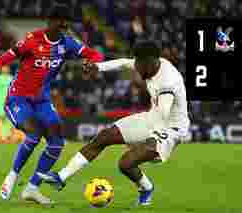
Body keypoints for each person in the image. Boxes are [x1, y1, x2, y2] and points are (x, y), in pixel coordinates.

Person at [0, 4, 103, 205]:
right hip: (18, 98)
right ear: (51, 21)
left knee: (57, 141)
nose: (66, 25)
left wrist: (91, 63)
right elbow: (2, 60)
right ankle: (13, 175)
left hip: (42, 100)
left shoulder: (68, 43)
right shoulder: (32, 40)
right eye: (62, 21)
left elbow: (94, 55)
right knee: (34, 133)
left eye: (67, 22)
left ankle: (32, 188)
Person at [38, 39, 190, 206]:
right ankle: (61, 177)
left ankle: (146, 188)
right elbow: (124, 63)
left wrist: (151, 139)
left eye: (139, 65)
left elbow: (163, 114)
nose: (137, 69)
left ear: (151, 62)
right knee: (104, 136)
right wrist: (98, 67)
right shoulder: (149, 63)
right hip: (153, 117)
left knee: (126, 163)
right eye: (137, 63)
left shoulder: (167, 80)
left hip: (171, 128)